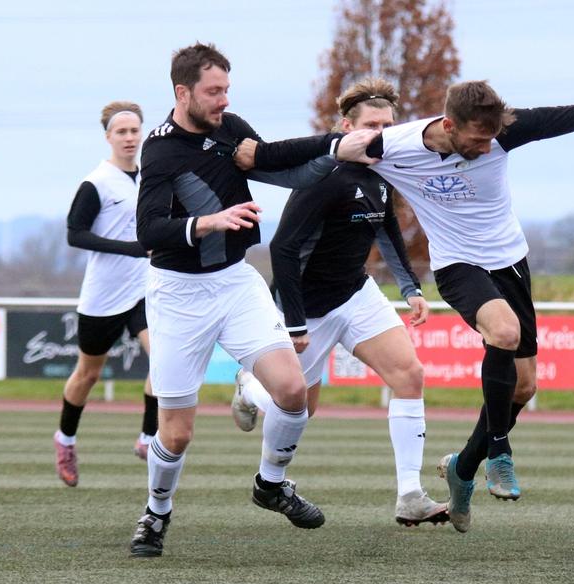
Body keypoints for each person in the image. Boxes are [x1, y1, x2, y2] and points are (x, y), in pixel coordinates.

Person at [246, 81, 574, 532]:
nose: (488, 148)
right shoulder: (391, 145)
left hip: (510, 262)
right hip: (458, 267)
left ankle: (464, 468)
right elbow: (306, 154)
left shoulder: (506, 130)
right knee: (502, 333)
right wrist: (248, 157)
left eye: (493, 138)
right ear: (449, 124)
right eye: (477, 139)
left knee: (524, 388)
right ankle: (498, 452)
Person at [128, 42, 376, 557]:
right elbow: (148, 229)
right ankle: (156, 513)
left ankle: (270, 483)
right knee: (176, 434)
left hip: (236, 282)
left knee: (291, 389)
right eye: (213, 92)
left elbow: (275, 162)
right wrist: (209, 222)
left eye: (226, 91)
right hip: (177, 294)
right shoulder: (160, 150)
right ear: (183, 92)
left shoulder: (230, 126)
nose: (222, 100)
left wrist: (335, 147)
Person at [230, 77, 448, 527]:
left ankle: (410, 495)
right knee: (299, 407)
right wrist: (294, 323)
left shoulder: (383, 174)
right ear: (346, 127)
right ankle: (250, 389)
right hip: (306, 308)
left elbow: (385, 229)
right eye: (370, 125)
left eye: (388, 125)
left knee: (410, 375)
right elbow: (283, 249)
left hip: (356, 292)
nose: (380, 135)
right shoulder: (323, 177)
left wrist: (411, 289)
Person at [53, 101, 157, 488]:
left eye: (134, 130)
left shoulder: (150, 179)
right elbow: (74, 233)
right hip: (104, 294)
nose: (129, 138)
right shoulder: (96, 182)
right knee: (88, 373)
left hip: (145, 290)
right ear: (108, 137)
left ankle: (149, 439)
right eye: (121, 132)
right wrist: (130, 247)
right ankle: (65, 440)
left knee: (164, 361)